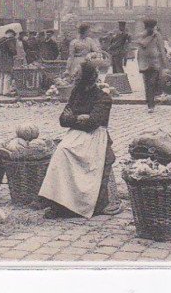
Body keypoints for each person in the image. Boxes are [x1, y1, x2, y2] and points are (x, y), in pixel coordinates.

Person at [39, 61, 122, 219]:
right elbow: (63, 120)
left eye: (78, 74)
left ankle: (78, 203)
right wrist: (80, 117)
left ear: (87, 77)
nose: (74, 77)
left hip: (94, 138)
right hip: (75, 135)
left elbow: (93, 123)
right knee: (61, 153)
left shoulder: (103, 97)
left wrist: (74, 117)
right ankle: (59, 201)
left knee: (69, 152)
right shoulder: (76, 92)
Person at [136, 17, 169, 112]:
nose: (149, 29)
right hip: (145, 63)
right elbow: (140, 49)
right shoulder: (142, 36)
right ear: (146, 27)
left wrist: (165, 64)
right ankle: (150, 104)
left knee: (151, 83)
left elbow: (162, 49)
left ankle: (151, 103)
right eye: (148, 27)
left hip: (155, 63)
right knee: (147, 84)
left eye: (151, 27)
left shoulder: (157, 36)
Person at [0, 29, 18, 94]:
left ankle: (0, 91)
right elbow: (13, 50)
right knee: (8, 76)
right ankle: (6, 92)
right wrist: (15, 52)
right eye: (13, 35)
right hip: (7, 60)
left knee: (1, 76)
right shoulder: (9, 41)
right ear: (11, 34)